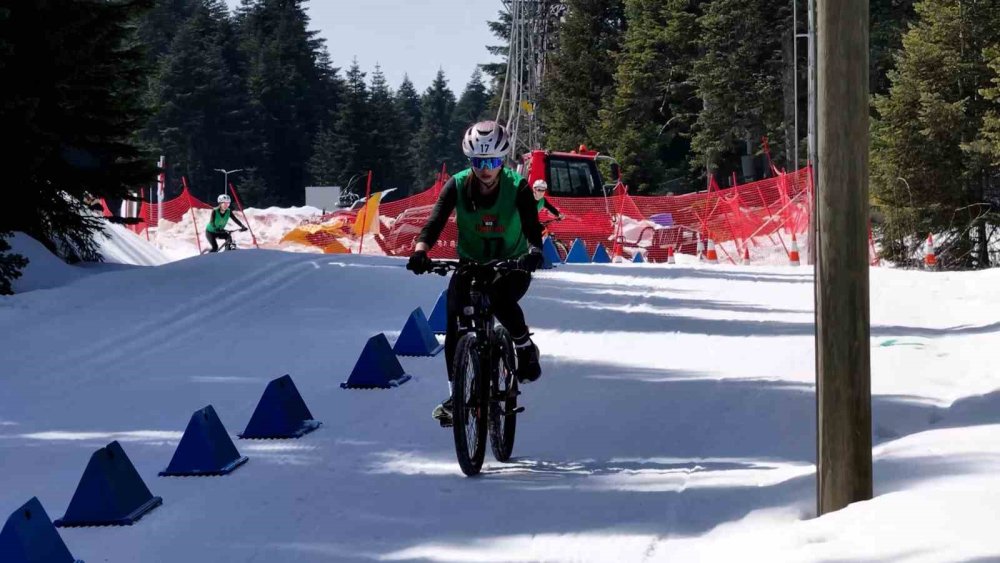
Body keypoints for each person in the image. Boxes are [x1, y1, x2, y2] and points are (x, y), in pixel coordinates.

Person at [407, 120, 545, 426]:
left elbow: (533, 226)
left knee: (499, 297)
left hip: (512, 264)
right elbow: (435, 221)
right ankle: (456, 395)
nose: (486, 169)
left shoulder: (517, 186)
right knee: (455, 316)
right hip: (471, 264)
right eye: (479, 162)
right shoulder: (456, 185)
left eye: (493, 162)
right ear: (470, 161)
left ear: (503, 161)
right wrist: (420, 250)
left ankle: (524, 348)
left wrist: (535, 252)